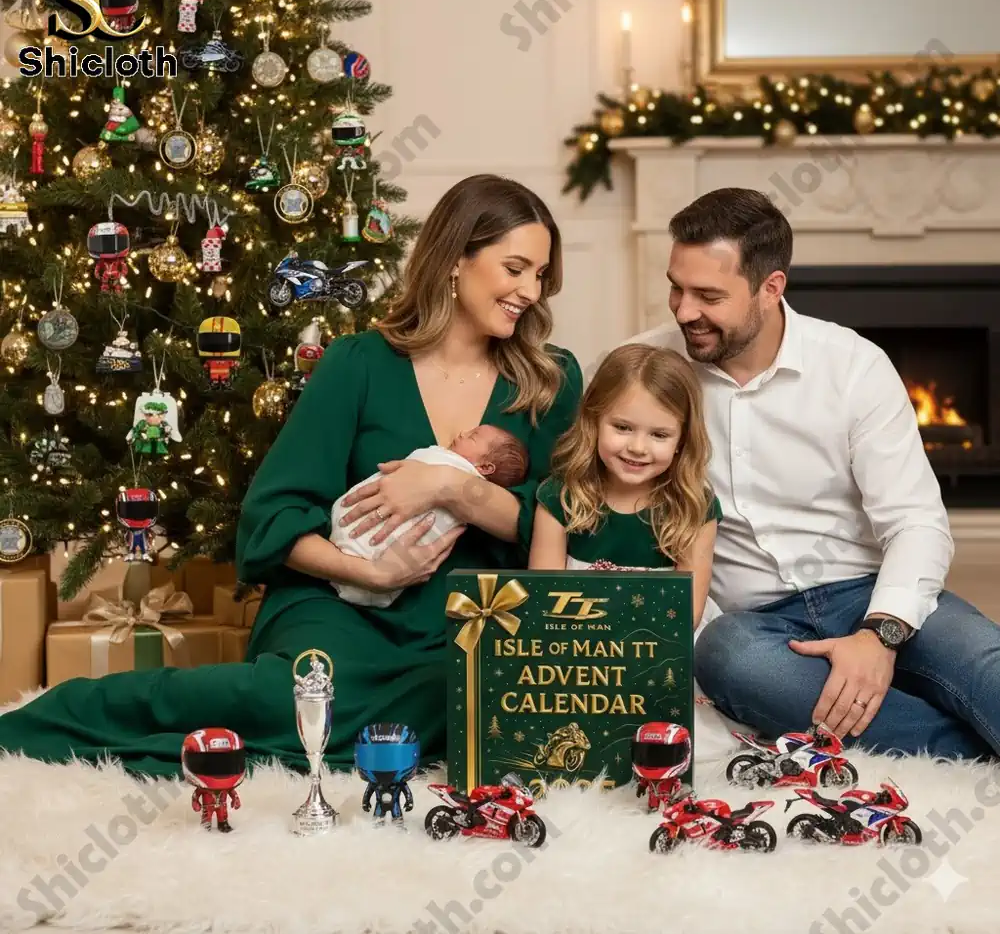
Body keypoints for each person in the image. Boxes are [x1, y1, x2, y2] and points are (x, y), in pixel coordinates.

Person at [0, 174, 583, 777]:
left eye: (541, 276)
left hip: (470, 618)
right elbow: (272, 519)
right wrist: (370, 570)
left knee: (471, 702)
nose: (530, 291)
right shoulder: (357, 364)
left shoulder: (552, 382)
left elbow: (575, 529)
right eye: (515, 268)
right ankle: (62, 715)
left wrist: (453, 489)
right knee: (299, 700)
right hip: (339, 604)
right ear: (456, 258)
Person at [623, 186, 999, 760]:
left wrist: (880, 635)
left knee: (983, 661)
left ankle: (899, 702)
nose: (683, 310)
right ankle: (967, 751)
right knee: (728, 660)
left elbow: (917, 522)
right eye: (676, 287)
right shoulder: (648, 369)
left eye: (708, 295)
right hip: (756, 626)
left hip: (868, 592)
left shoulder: (853, 365)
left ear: (771, 289)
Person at [528, 342, 720, 632]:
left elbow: (686, 616)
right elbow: (543, 602)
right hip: (575, 644)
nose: (638, 448)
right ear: (593, 421)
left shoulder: (694, 505)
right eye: (622, 428)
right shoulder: (560, 497)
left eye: (659, 434)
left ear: (682, 440)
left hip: (663, 648)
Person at [328, 424, 528, 607]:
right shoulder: (442, 461)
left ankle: (356, 550)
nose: (461, 433)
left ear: (485, 468)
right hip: (353, 569)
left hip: (373, 562)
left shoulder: (461, 474)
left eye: (472, 436)